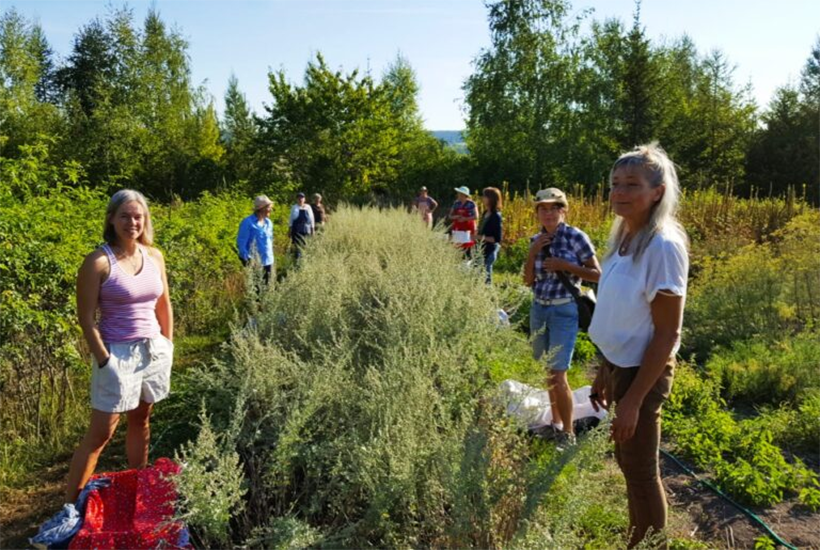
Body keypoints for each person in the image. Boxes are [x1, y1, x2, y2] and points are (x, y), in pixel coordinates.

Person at [589, 144, 689, 549]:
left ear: (658, 191)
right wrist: (603, 370)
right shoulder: (625, 236)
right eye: (615, 184)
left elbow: (666, 334)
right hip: (618, 367)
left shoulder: (662, 246)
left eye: (632, 184)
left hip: (641, 372)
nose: (619, 192)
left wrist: (632, 400)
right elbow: (618, 311)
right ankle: (638, 538)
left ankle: (649, 545)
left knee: (642, 470)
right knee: (628, 464)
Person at [66, 189, 174, 503]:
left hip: (153, 350)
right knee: (101, 434)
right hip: (117, 355)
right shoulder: (98, 262)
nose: (132, 222)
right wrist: (104, 360)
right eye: (125, 215)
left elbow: (164, 303)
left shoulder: (154, 256)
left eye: (138, 216)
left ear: (146, 220)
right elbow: (86, 319)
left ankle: (138, 486)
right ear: (111, 219)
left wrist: (168, 344)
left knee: (141, 419)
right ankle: (70, 507)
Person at [524, 188, 601, 447]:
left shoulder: (575, 237)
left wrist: (565, 266)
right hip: (539, 309)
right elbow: (527, 281)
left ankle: (567, 434)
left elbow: (597, 274)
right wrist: (533, 251)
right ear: (537, 213)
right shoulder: (536, 239)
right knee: (547, 372)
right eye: (542, 208)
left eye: (553, 208)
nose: (548, 213)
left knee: (558, 374)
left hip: (563, 310)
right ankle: (556, 424)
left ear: (563, 210)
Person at [236, 195, 275, 284]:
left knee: (268, 289)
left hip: (268, 261)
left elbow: (270, 240)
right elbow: (241, 243)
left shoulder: (269, 223)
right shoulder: (248, 222)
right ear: (262, 208)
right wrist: (250, 261)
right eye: (269, 207)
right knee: (256, 290)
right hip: (255, 263)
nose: (271, 210)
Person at [477, 187, 503, 284]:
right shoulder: (485, 213)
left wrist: (478, 237)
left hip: (490, 249)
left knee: (486, 276)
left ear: (491, 198)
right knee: (478, 274)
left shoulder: (496, 216)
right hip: (481, 248)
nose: (482, 198)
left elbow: (497, 238)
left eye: (485, 196)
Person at [448, 186, 477, 257]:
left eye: (459, 193)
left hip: (468, 230)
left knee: (467, 249)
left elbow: (476, 216)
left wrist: (465, 219)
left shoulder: (472, 204)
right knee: (457, 249)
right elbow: (450, 216)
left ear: (463, 195)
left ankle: (467, 264)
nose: (457, 195)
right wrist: (456, 217)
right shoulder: (456, 204)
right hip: (457, 229)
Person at [289, 191, 315, 261]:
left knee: (305, 245)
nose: (300, 199)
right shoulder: (294, 207)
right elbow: (291, 219)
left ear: (304, 199)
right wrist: (290, 230)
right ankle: (297, 260)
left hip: (306, 229)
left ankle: (305, 260)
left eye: (302, 198)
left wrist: (313, 229)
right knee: (297, 246)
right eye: (299, 198)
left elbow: (312, 219)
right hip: (296, 229)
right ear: (297, 199)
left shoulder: (308, 207)